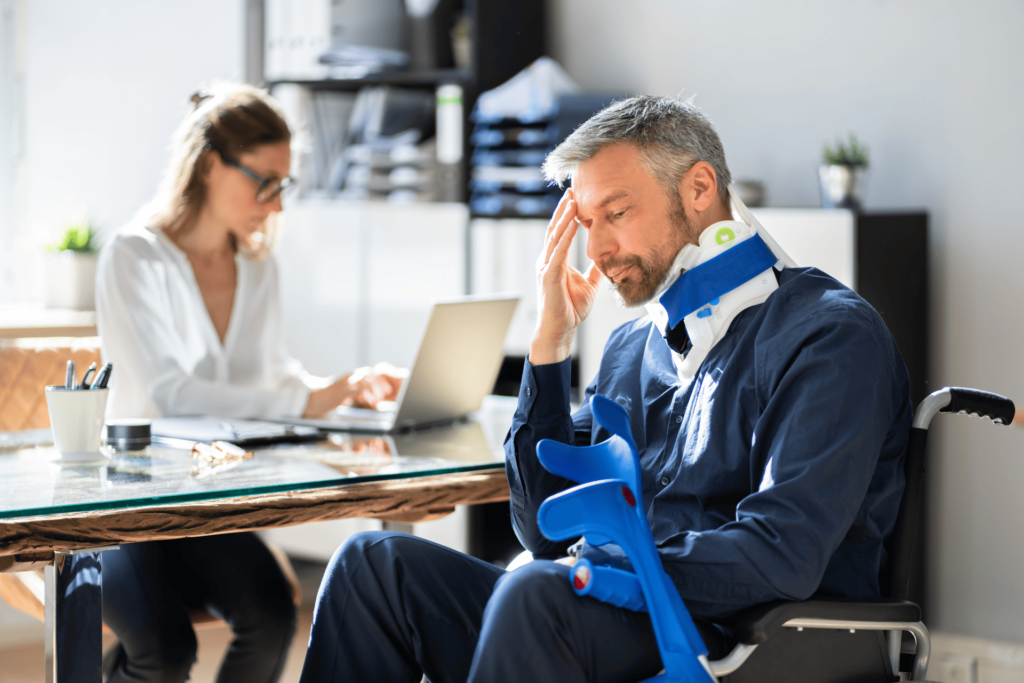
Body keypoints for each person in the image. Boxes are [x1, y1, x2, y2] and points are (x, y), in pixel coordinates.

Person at [298, 95, 912, 683]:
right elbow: (545, 531)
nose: (597, 250)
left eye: (616, 214)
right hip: (607, 610)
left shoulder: (829, 336)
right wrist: (549, 347)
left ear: (699, 188)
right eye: (587, 224)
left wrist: (597, 568)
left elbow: (783, 551)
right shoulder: (631, 350)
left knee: (537, 593)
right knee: (372, 566)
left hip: (743, 638)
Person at [95, 84, 402, 683]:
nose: (277, 204)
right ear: (212, 166)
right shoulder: (133, 258)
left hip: (205, 506)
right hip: (121, 510)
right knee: (164, 647)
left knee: (271, 613)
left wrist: (344, 388)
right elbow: (167, 398)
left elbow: (272, 375)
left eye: (283, 185)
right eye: (266, 181)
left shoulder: (257, 266)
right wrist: (310, 397)